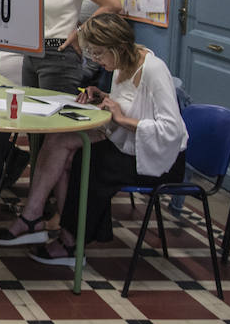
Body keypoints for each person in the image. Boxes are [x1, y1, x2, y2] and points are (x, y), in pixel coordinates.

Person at [27, 13, 188, 267]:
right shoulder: (121, 65)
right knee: (68, 149)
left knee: (90, 165)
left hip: (161, 159)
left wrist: (123, 120)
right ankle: (60, 228)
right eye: (92, 53)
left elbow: (172, 129)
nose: (96, 60)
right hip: (131, 147)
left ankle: (71, 241)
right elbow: (128, 101)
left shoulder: (154, 70)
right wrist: (102, 95)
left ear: (118, 48)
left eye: (99, 54)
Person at [0, 0, 123, 193]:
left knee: (55, 136)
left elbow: (113, 3)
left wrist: (81, 32)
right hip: (33, 54)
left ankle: (52, 211)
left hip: (58, 58)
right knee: (36, 133)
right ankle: (42, 202)